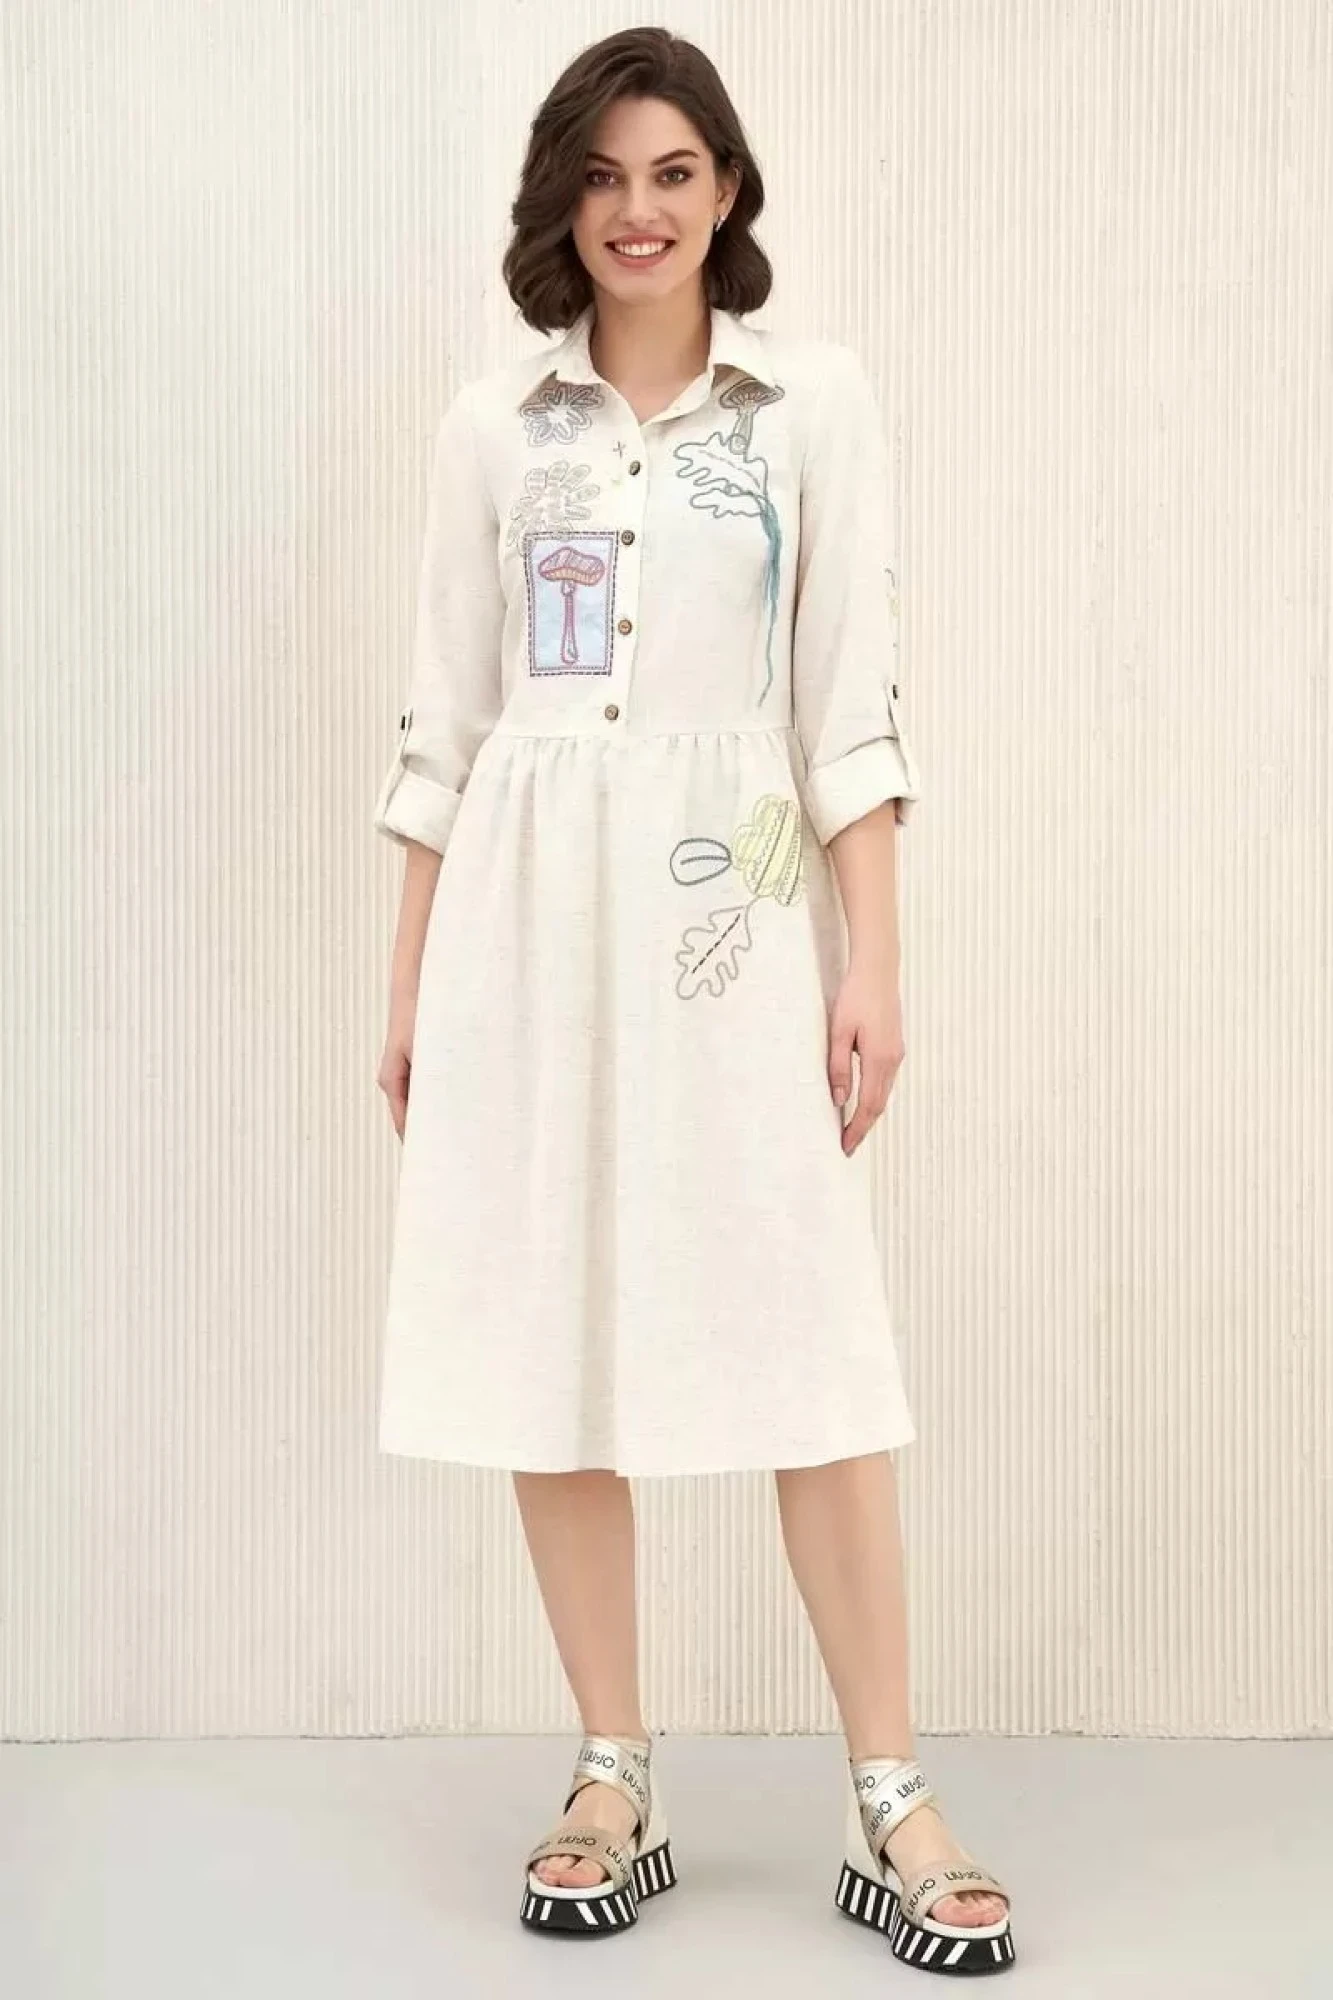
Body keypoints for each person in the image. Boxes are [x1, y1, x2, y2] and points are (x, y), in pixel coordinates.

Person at [372, 25, 1015, 1975]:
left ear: (726, 189)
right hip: (522, 923)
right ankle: (612, 1771)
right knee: (552, 1328)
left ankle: (890, 1790)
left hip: (730, 918)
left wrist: (873, 959)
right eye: (603, 173)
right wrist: (409, 987)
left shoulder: (812, 403)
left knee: (814, 1343)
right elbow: (444, 726)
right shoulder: (497, 429)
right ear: (560, 197)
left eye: (673, 171)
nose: (637, 209)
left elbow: (848, 703)